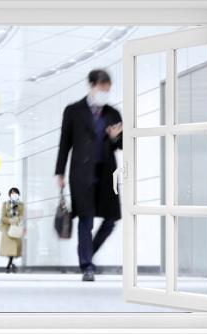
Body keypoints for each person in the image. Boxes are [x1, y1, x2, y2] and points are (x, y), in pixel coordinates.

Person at [55, 69, 123, 282]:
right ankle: (87, 265)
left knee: (112, 219)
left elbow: (122, 145)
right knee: (86, 219)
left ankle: (88, 254)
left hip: (106, 174)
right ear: (91, 86)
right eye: (102, 88)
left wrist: (115, 138)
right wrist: (60, 171)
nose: (105, 92)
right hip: (81, 174)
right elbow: (65, 143)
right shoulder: (73, 111)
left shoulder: (114, 113)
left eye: (108, 89)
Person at [0, 187, 25, 273]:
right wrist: (10, 220)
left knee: (14, 249)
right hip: (7, 229)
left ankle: (10, 264)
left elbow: (22, 216)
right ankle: (10, 264)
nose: (14, 195)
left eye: (16, 193)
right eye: (12, 193)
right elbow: (2, 217)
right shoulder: (5, 204)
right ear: (9, 195)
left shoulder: (21, 205)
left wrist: (17, 219)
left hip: (16, 229)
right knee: (9, 249)